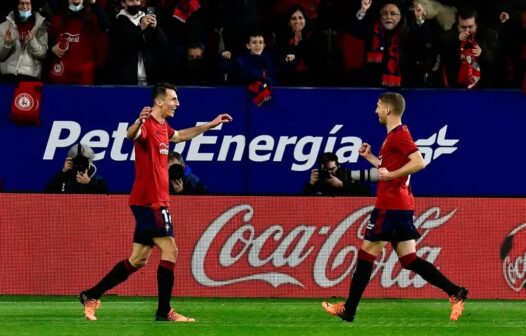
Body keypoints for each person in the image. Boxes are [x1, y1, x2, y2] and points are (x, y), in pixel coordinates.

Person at [79, 83, 232, 322]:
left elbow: (180, 136)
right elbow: (131, 135)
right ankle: (164, 311)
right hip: (151, 202)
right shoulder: (148, 124)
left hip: (149, 201)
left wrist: (210, 125)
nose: (177, 103)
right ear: (159, 102)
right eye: (173, 99)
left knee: (138, 259)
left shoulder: (162, 127)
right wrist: (137, 122)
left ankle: (91, 294)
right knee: (171, 250)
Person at [321, 92, 468, 322]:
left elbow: (419, 162)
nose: (375, 110)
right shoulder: (394, 136)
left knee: (365, 255)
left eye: (378, 106)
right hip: (402, 206)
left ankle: (348, 310)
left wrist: (391, 175)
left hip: (389, 206)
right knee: (409, 260)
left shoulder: (398, 135)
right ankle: (455, 291)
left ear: (388, 110)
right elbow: (387, 170)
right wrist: (370, 158)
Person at [0, 0, 48, 82]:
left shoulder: (41, 27)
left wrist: (32, 41)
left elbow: (43, 55)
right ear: (16, 5)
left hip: (31, 77)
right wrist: (6, 45)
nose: (24, 7)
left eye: (28, 3)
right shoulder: (3, 26)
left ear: (32, 6)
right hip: (7, 77)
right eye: (21, 3)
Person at [303, 152, 371, 196]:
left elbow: (366, 193)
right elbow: (303, 202)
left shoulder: (346, 175)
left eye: (332, 169)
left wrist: (342, 185)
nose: (329, 172)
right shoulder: (318, 180)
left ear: (338, 166)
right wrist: (310, 184)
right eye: (326, 170)